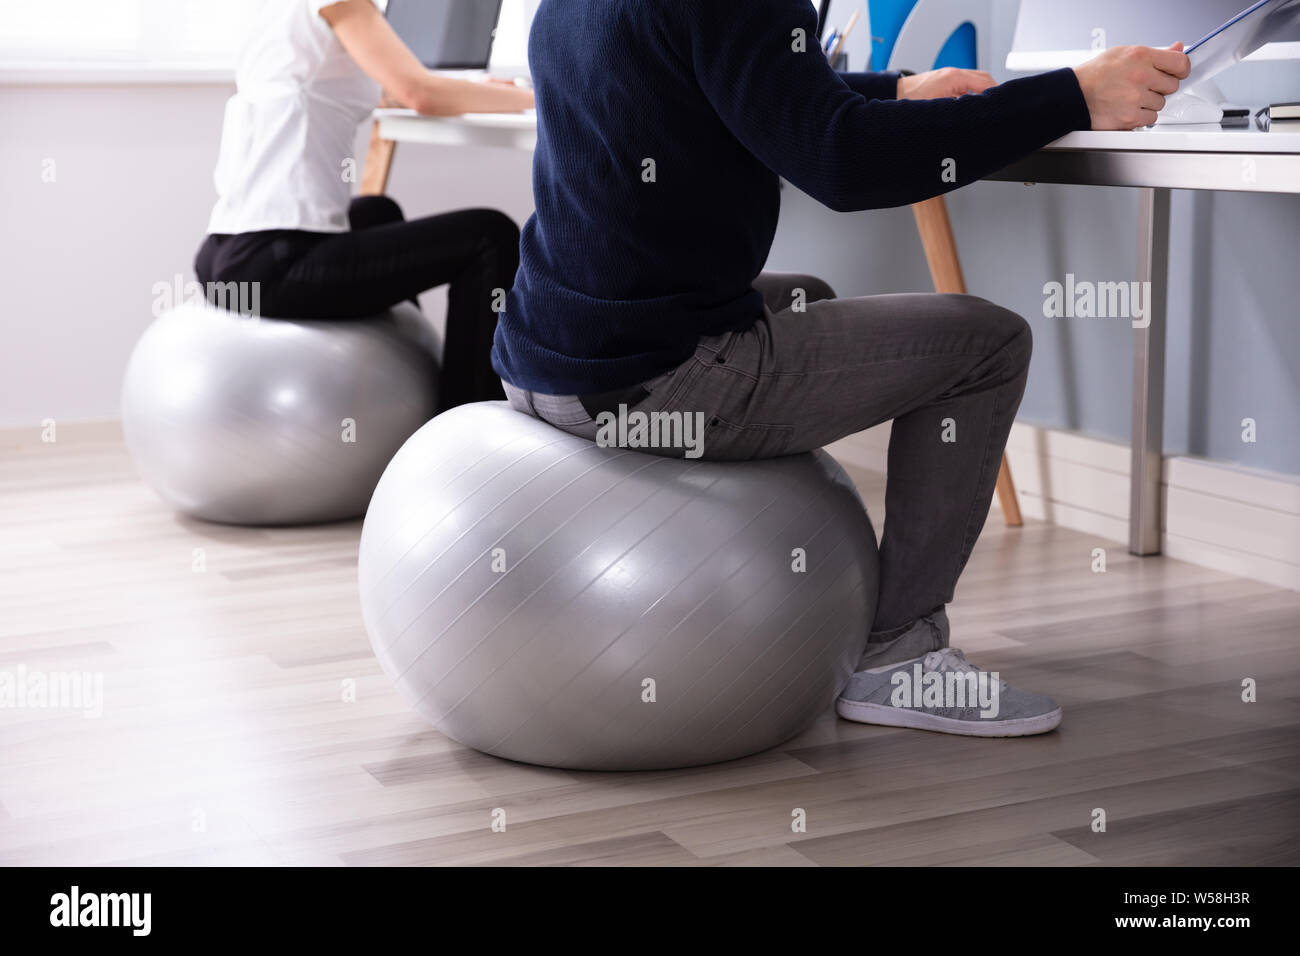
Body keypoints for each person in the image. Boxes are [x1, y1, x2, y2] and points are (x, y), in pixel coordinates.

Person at [492, 0, 1190, 736]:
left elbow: (733, 75)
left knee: (808, 301)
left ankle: (786, 592)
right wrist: (1072, 95)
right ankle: (900, 656)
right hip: (649, 380)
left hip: (548, 355)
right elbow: (842, 162)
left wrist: (892, 91)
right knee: (987, 344)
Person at [196, 0, 534, 410]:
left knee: (378, 211)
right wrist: (539, 97)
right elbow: (420, 94)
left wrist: (482, 92)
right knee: (490, 234)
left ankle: (412, 381)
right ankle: (464, 417)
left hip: (225, 257)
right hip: (273, 265)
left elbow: (388, 89)